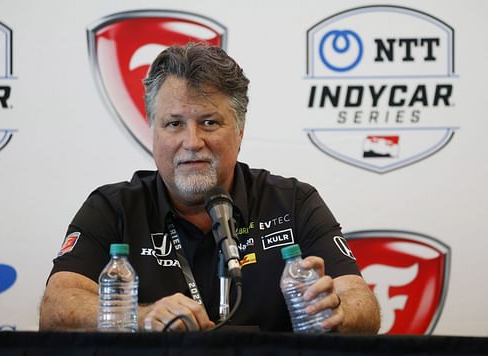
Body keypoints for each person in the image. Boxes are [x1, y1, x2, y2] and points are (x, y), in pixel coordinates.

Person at [39, 42, 380, 333]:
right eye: (174, 123)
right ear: (152, 132)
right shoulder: (113, 207)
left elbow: (360, 300)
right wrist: (141, 318)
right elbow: (57, 306)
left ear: (240, 130)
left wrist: (337, 310)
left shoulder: (293, 202)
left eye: (209, 122)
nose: (192, 142)